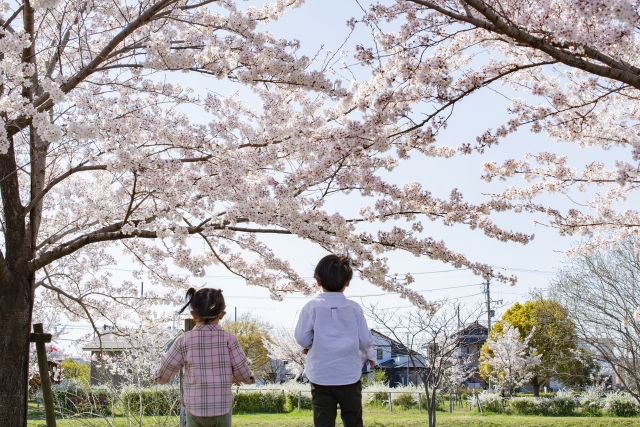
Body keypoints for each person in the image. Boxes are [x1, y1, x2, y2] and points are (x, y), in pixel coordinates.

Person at [294, 255, 376, 427]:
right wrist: (370, 354)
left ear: (317, 281)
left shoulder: (311, 307)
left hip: (321, 376)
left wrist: (310, 345)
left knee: (323, 421)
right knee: (353, 420)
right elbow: (365, 340)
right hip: (349, 376)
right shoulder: (354, 308)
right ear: (347, 282)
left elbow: (301, 337)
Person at [156, 288, 255, 427]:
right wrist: (249, 378)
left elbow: (167, 366)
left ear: (193, 315)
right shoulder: (229, 340)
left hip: (195, 407)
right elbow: (241, 371)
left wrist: (160, 378)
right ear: (222, 315)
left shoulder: (184, 340)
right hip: (222, 408)